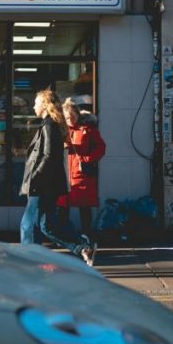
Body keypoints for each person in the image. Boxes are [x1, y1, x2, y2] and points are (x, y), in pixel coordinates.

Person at [19, 89, 95, 265]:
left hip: (42, 184)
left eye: (36, 102)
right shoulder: (50, 125)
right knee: (46, 225)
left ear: (45, 105)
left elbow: (48, 156)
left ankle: (29, 259)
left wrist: (35, 176)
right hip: (47, 184)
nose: (33, 106)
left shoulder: (49, 125)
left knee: (28, 224)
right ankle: (82, 246)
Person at [58, 99, 106, 240]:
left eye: (73, 116)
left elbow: (101, 147)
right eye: (67, 118)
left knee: (84, 206)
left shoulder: (88, 130)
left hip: (81, 173)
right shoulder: (61, 130)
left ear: (78, 115)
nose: (70, 120)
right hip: (63, 172)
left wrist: (87, 159)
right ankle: (63, 236)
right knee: (62, 206)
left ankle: (86, 235)